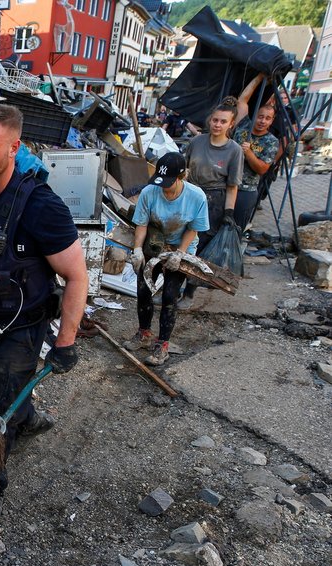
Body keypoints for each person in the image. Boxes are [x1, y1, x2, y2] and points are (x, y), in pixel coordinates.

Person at [0, 104, 88, 524]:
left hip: (22, 328)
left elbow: (77, 277)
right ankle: (28, 417)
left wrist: (65, 344)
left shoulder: (41, 207)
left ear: (14, 147)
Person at [124, 153, 209, 365]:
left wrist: (180, 253)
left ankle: (162, 345)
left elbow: (194, 229)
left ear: (182, 177)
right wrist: (137, 249)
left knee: (170, 295)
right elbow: (141, 224)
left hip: (181, 246)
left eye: (169, 183)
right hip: (154, 243)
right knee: (143, 290)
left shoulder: (196, 196)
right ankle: (144, 333)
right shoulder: (149, 192)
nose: (164, 188)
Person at [180, 98, 243, 308]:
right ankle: (171, 286)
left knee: (200, 247)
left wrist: (229, 212)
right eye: (215, 120)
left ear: (230, 124)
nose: (217, 124)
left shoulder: (234, 150)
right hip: (191, 194)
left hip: (214, 201)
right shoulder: (197, 142)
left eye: (223, 121)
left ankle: (189, 292)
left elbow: (232, 186)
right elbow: (185, 170)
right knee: (180, 241)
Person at [233, 74, 279, 231]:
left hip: (246, 190)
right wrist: (259, 78)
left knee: (236, 230)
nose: (262, 121)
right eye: (260, 116)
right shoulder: (243, 126)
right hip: (225, 185)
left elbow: (262, 169)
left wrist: (249, 153)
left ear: (271, 121)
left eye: (267, 118)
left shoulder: (271, 141)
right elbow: (242, 101)